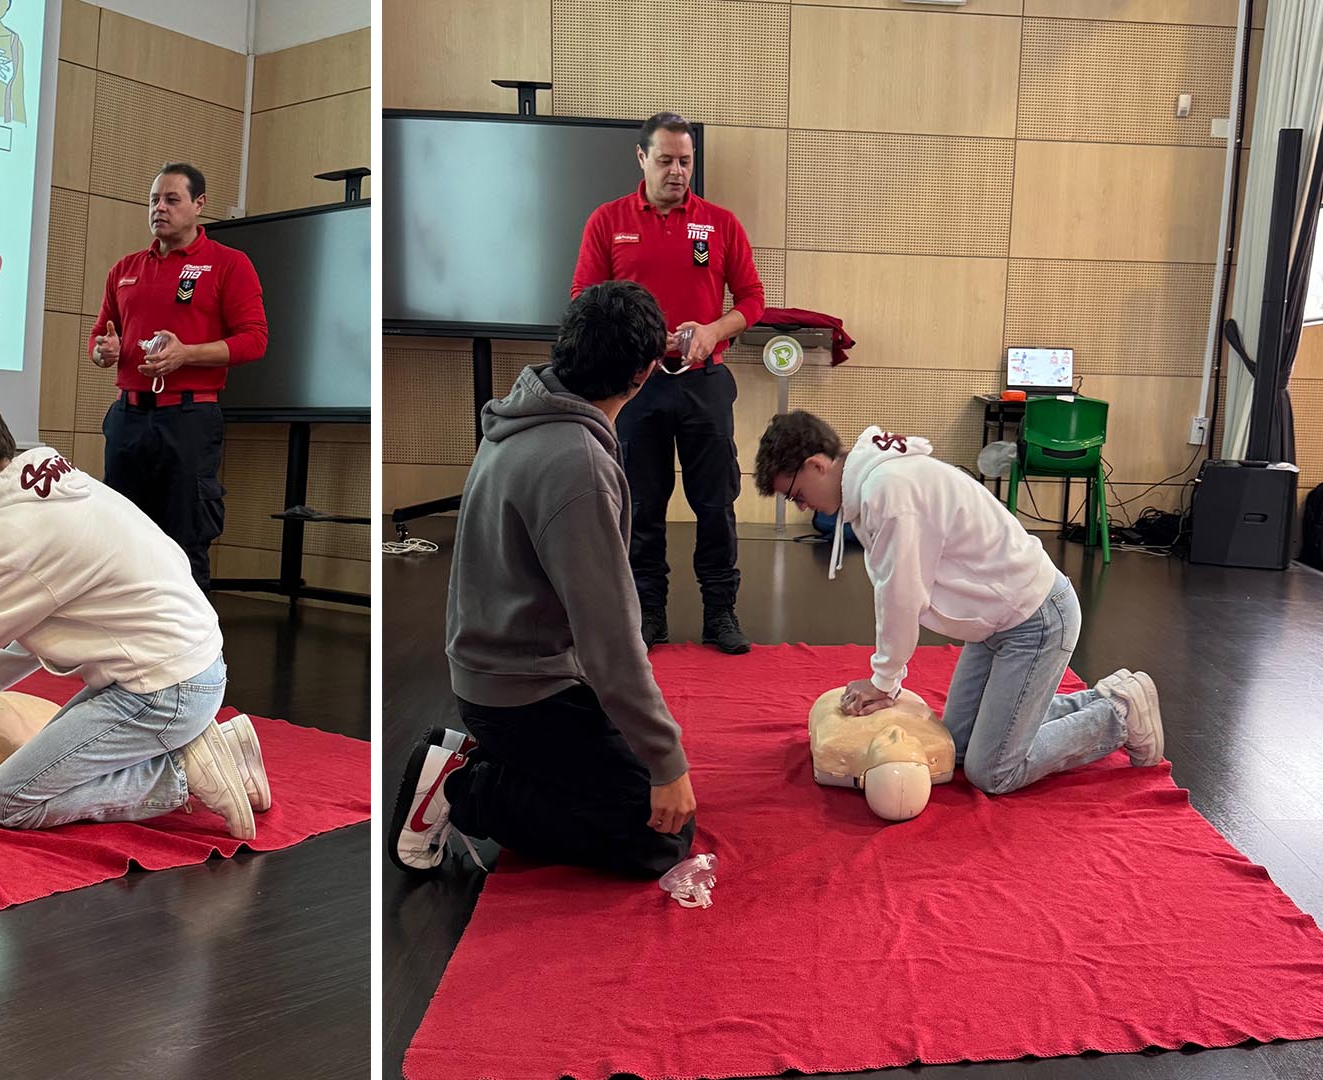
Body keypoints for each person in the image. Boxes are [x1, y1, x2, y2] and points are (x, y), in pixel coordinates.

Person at [0, 397, 270, 839]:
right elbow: (35, 623)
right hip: (185, 668)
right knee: (50, 766)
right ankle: (220, 746)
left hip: (164, 690)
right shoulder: (56, 482)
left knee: (12, 798)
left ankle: (182, 776)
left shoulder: (10, 530)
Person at [389, 282, 698, 880]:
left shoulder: (522, 414)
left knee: (644, 785)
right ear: (643, 373)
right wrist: (666, 760)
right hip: (525, 694)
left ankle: (497, 763)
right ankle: (466, 788)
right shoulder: (575, 462)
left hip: (498, 679)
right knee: (658, 831)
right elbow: (610, 637)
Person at [753, 410, 1165, 795]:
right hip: (994, 623)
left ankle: (1118, 716)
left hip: (1036, 618)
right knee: (956, 746)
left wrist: (884, 682)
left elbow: (902, 596)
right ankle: (1104, 700)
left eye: (796, 495)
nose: (802, 506)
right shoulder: (874, 481)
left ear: (817, 466)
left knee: (994, 771)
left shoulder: (889, 490)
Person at [571, 112, 765, 654]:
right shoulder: (607, 221)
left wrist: (712, 329)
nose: (678, 171)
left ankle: (720, 613)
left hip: (705, 382)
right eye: (666, 161)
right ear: (642, 159)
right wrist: (643, 340)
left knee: (716, 505)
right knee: (642, 506)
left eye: (685, 161)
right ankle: (647, 612)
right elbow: (583, 298)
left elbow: (752, 301)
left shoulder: (720, 223)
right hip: (636, 386)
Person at [88, 162, 268, 590]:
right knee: (122, 539)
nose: (159, 209)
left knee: (184, 540)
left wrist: (186, 354)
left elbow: (255, 340)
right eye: (153, 200)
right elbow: (101, 335)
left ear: (199, 204)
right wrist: (103, 350)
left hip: (188, 420)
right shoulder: (125, 269)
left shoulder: (228, 264)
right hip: (129, 418)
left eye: (172, 199)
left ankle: (194, 654)